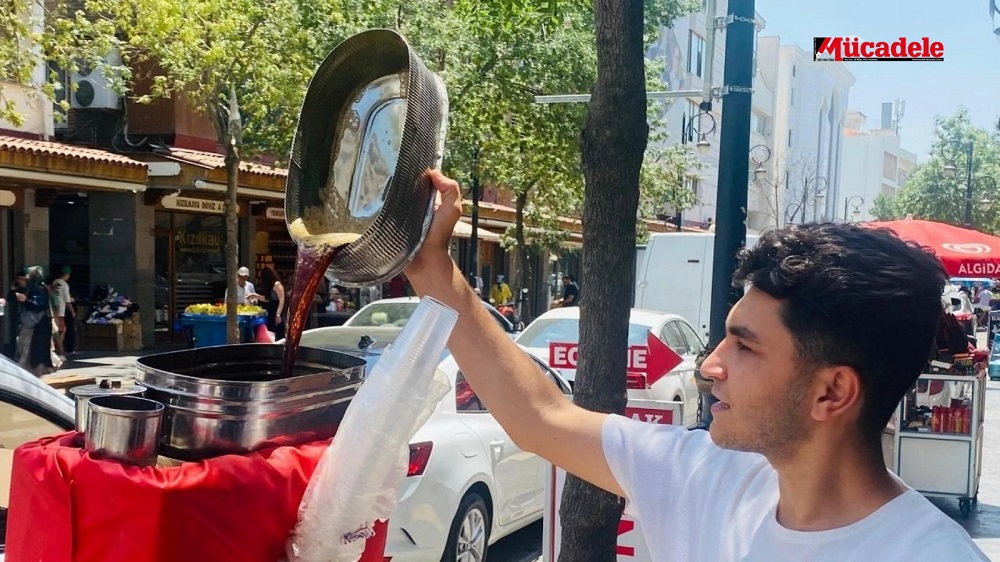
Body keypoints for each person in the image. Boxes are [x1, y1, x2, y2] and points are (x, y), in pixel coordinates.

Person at [402, 170, 987, 561]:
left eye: (745, 345)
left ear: (832, 393)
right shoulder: (706, 479)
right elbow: (540, 414)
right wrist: (433, 271)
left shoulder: (925, 553)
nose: (710, 366)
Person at [13, 266, 58, 376]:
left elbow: (40, 305)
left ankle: (33, 372)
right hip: (30, 324)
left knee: (34, 351)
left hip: (39, 325)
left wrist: (25, 300)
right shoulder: (29, 289)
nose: (22, 281)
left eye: (24, 278)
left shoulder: (40, 289)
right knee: (25, 348)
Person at [51, 266, 75, 357]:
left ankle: (58, 351)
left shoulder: (54, 282)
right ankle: (61, 353)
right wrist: (72, 311)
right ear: (67, 275)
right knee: (61, 332)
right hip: (60, 311)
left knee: (57, 332)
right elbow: (68, 301)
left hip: (53, 311)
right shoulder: (64, 285)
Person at [257, 267, 287, 340]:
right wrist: (255, 296)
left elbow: (282, 299)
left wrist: (278, 313)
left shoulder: (277, 285)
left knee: (279, 331)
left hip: (277, 310)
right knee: (271, 332)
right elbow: (267, 299)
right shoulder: (270, 286)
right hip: (271, 312)